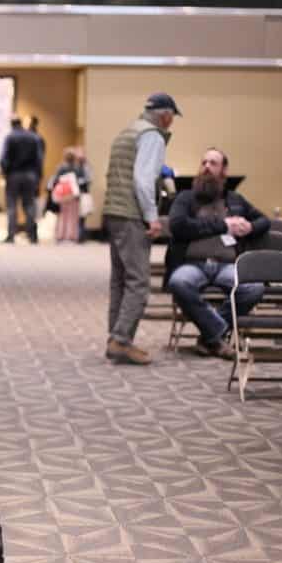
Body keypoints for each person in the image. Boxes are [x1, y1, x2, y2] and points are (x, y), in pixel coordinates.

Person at [165, 148, 269, 358]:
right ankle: (217, 333)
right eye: (203, 163)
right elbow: (177, 226)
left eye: (213, 163)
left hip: (227, 265)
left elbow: (264, 220)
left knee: (253, 288)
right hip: (192, 264)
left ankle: (208, 336)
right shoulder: (186, 198)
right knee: (178, 283)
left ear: (223, 170)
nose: (206, 167)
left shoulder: (235, 200)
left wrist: (250, 227)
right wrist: (222, 225)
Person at [102, 92, 180, 365]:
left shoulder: (128, 131)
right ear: (166, 115)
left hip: (113, 211)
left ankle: (116, 338)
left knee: (120, 280)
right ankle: (121, 341)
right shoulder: (153, 136)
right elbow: (143, 181)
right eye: (172, 118)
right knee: (139, 282)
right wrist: (152, 217)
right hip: (132, 214)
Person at [0, 115, 43, 244]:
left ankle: (11, 235)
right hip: (30, 175)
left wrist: (5, 173)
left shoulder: (10, 137)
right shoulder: (33, 137)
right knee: (29, 205)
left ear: (12, 124)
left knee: (12, 205)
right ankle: (32, 235)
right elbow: (39, 159)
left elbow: (4, 157)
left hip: (14, 174)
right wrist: (38, 176)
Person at [48, 147, 87, 243]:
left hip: (63, 195)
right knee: (73, 217)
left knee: (62, 216)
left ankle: (60, 235)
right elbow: (83, 181)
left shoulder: (61, 167)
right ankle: (72, 236)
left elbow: (56, 180)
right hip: (74, 195)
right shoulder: (78, 168)